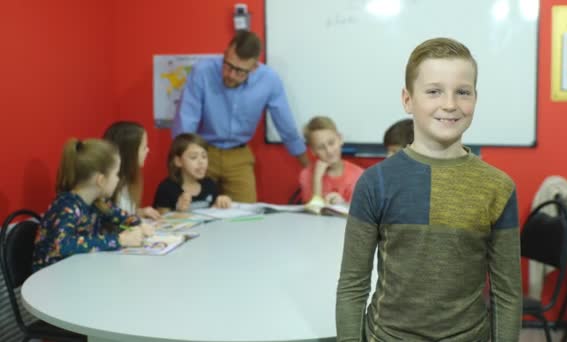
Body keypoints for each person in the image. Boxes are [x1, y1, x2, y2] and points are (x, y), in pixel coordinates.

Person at [336, 38, 522, 341]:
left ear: (475, 97)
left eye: (462, 92)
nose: (450, 104)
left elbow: (507, 293)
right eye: (434, 91)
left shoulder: (498, 187)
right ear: (407, 100)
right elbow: (352, 285)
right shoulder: (374, 182)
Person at [172, 30, 308, 203]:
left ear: (254, 67)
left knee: (246, 215)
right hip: (203, 151)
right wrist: (181, 159)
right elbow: (186, 118)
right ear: (225, 53)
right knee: (195, 209)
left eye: (240, 71)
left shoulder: (269, 80)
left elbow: (285, 124)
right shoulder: (203, 71)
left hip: (239, 155)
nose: (230, 74)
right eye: (228, 65)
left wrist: (306, 164)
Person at [33, 138, 153, 271]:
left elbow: (124, 217)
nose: (118, 179)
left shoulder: (98, 202)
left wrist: (139, 225)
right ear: (101, 180)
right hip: (53, 277)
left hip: (80, 270)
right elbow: (62, 245)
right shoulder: (67, 206)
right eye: (116, 174)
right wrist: (119, 240)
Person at [154, 133, 232, 213]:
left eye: (204, 156)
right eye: (193, 157)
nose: (201, 162)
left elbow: (214, 212)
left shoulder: (210, 184)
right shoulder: (166, 188)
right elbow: (160, 220)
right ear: (178, 161)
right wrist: (178, 210)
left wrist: (221, 202)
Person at [299, 116, 364, 205]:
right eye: (321, 147)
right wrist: (317, 178)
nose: (329, 151)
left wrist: (343, 204)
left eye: (331, 143)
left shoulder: (359, 175)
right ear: (313, 151)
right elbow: (312, 212)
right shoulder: (306, 175)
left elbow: (360, 214)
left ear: (340, 139)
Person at [103, 121, 161, 219]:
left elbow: (123, 213)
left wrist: (140, 212)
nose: (148, 150)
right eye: (144, 147)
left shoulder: (128, 181)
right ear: (129, 153)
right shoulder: (108, 188)